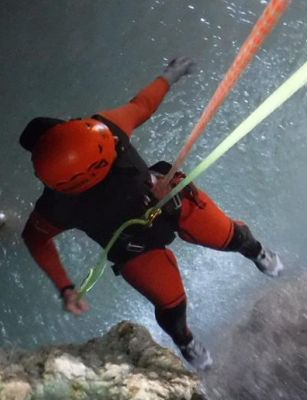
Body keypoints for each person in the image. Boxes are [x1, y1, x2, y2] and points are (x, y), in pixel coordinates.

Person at [19, 57, 283, 370]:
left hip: (158, 210)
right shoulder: (104, 132)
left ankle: (254, 254)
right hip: (141, 235)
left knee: (229, 240)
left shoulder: (57, 201)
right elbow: (142, 105)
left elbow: (35, 239)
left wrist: (65, 287)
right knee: (173, 300)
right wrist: (169, 76)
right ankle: (185, 338)